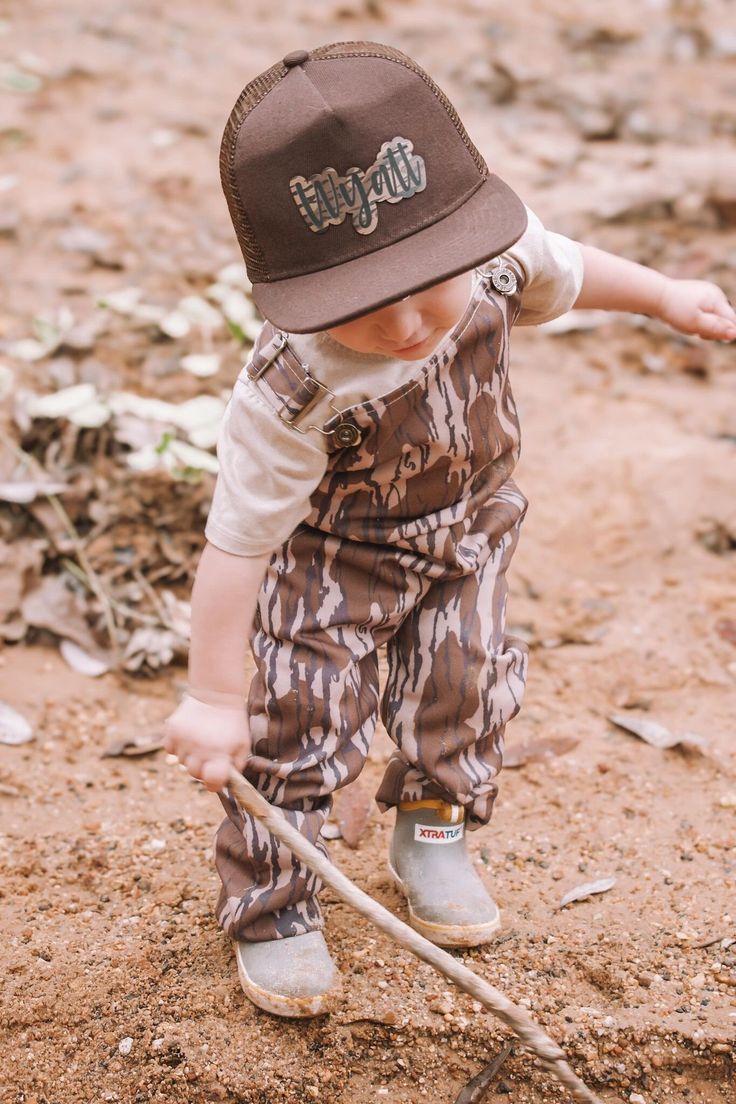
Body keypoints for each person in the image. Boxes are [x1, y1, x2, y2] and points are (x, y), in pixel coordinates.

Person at [162, 41, 736, 1018]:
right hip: (334, 562)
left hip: (468, 533)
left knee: (463, 689)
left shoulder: (494, 257)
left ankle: (433, 829)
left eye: (428, 286)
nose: (405, 326)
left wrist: (663, 296)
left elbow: (571, 269)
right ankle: (275, 898)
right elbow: (238, 544)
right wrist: (215, 695)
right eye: (361, 306)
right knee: (299, 713)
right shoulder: (294, 389)